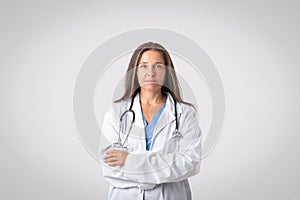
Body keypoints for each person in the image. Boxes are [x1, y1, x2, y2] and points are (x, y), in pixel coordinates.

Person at [99, 42, 202, 200]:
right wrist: (162, 166)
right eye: (144, 66)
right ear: (135, 71)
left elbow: (190, 163)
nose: (151, 73)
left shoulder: (184, 114)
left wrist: (130, 160)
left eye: (158, 66)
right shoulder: (116, 114)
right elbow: (110, 169)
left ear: (167, 72)